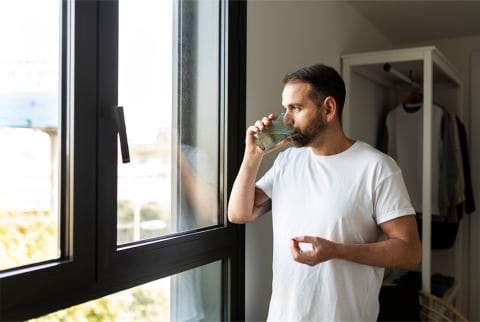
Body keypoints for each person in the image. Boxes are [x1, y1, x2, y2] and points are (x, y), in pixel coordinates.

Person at [228, 64, 422, 321]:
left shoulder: (377, 167)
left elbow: (410, 253)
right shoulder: (288, 161)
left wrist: (336, 250)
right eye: (285, 109)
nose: (286, 119)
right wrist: (252, 156)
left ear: (328, 109)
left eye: (296, 108)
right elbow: (239, 214)